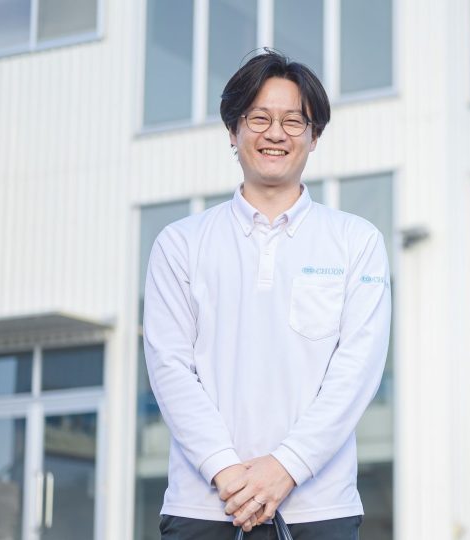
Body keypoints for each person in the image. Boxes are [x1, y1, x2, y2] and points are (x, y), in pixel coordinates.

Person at [143, 49, 392, 540]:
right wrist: (225, 471)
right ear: (232, 130)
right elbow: (169, 366)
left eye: (293, 121)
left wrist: (287, 466)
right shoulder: (180, 243)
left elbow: (356, 371)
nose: (275, 133)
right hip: (204, 505)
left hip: (319, 508)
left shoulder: (356, 241)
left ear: (314, 136)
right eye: (259, 118)